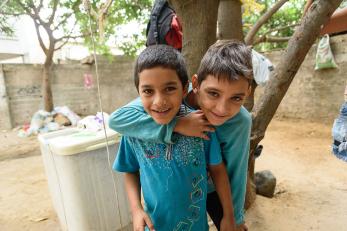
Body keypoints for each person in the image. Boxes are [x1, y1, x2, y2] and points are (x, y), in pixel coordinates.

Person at [109, 40, 253, 231]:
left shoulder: (240, 121)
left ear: (247, 94)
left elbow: (234, 170)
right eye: (213, 93)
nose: (222, 108)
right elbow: (117, 120)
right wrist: (177, 124)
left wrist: (235, 217)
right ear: (194, 85)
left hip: (212, 189)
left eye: (236, 98)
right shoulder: (166, 102)